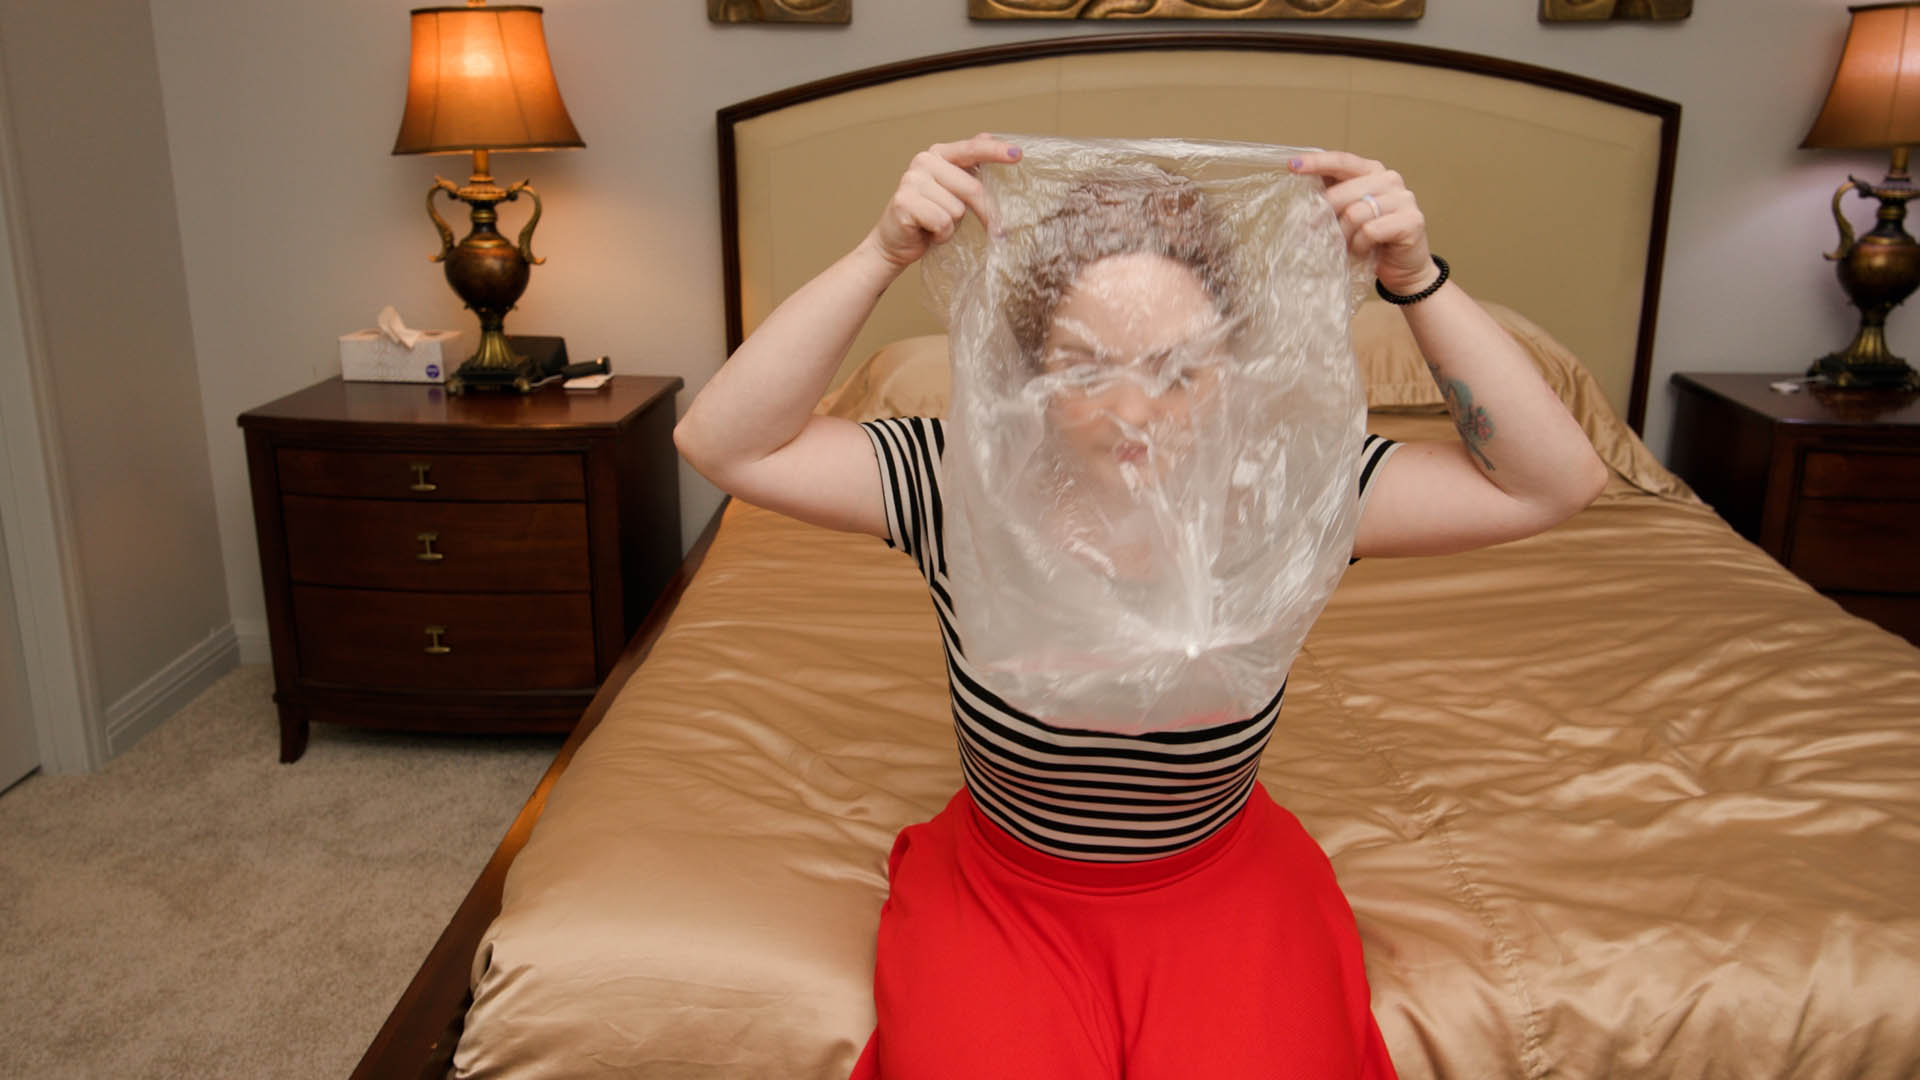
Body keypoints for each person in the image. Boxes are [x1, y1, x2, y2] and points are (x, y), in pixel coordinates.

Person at [674, 134, 1608, 1080]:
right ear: (1030, 375)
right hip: (1006, 894)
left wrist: (1416, 280)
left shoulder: (1290, 490)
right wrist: (881, 253)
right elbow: (723, 443)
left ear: (1234, 368)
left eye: (1179, 369)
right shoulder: (962, 479)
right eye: (1085, 369)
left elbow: (1554, 483)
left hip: (1220, 889)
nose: (1133, 409)